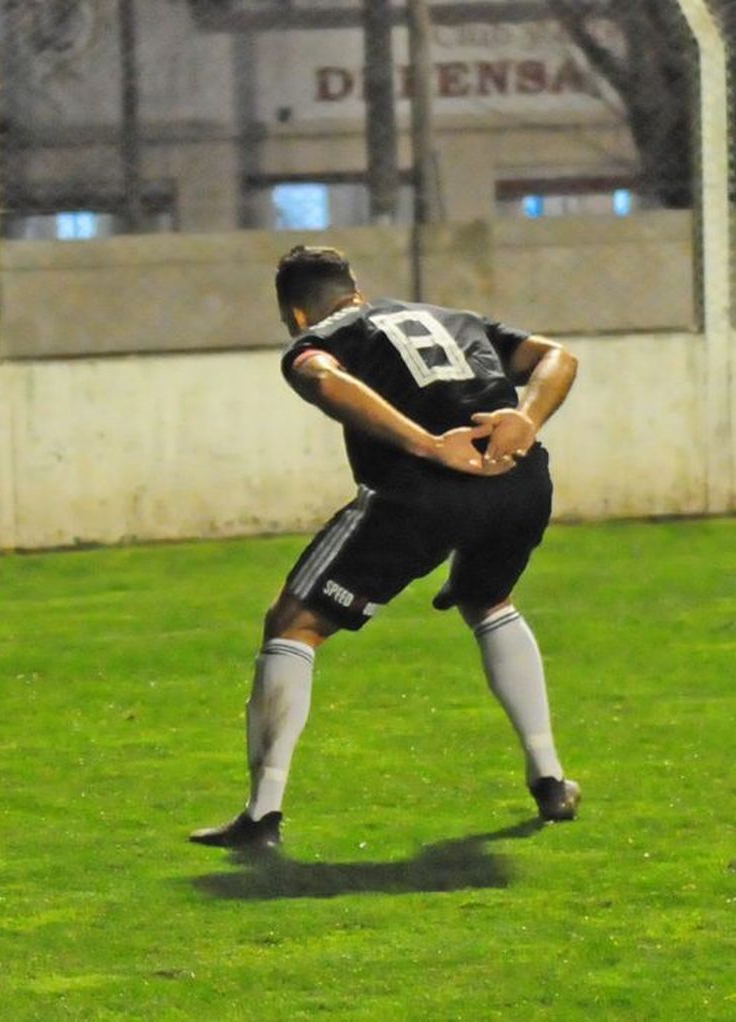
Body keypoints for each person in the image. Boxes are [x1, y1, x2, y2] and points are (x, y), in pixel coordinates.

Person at [190, 245, 581, 850]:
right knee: (490, 600)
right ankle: (551, 779)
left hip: (419, 495)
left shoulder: (318, 336)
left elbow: (321, 376)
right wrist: (526, 418)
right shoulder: (455, 318)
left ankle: (261, 817)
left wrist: (426, 444)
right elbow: (558, 356)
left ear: (296, 313)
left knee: (292, 625)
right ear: (357, 288)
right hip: (521, 482)